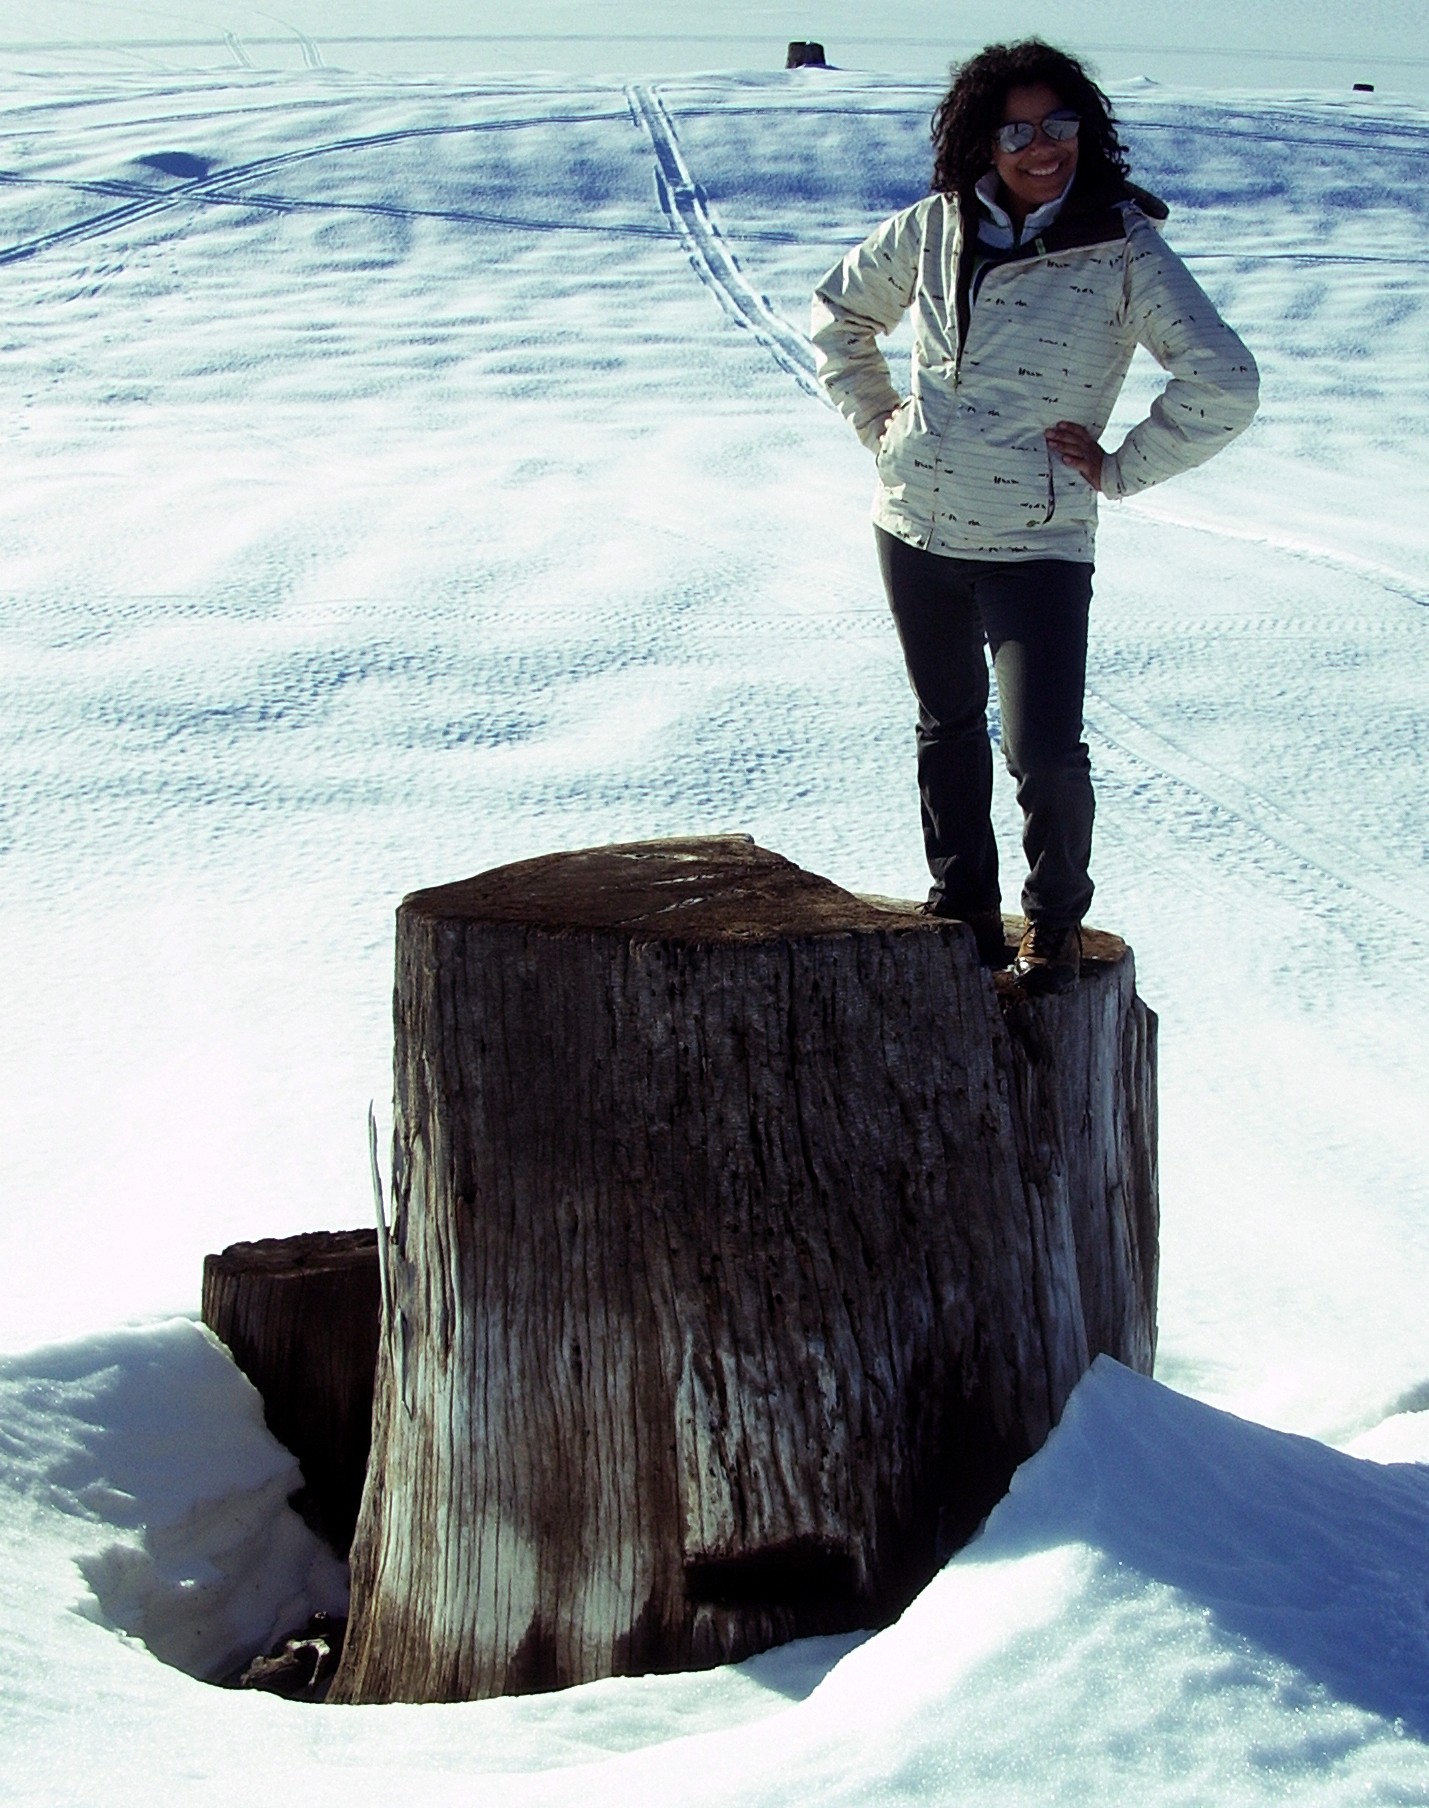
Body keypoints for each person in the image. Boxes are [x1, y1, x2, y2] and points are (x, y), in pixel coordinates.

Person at [811, 39, 1259, 992]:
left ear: (1084, 132)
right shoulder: (933, 228)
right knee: (946, 727)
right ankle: (961, 910)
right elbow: (839, 314)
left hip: (1037, 543)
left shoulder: (1121, 246)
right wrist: (882, 424)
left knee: (1043, 751)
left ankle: (1053, 925)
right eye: (1015, 129)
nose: (1039, 146)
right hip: (915, 522)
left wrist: (1121, 467)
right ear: (983, 138)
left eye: (1058, 124)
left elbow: (1223, 381)